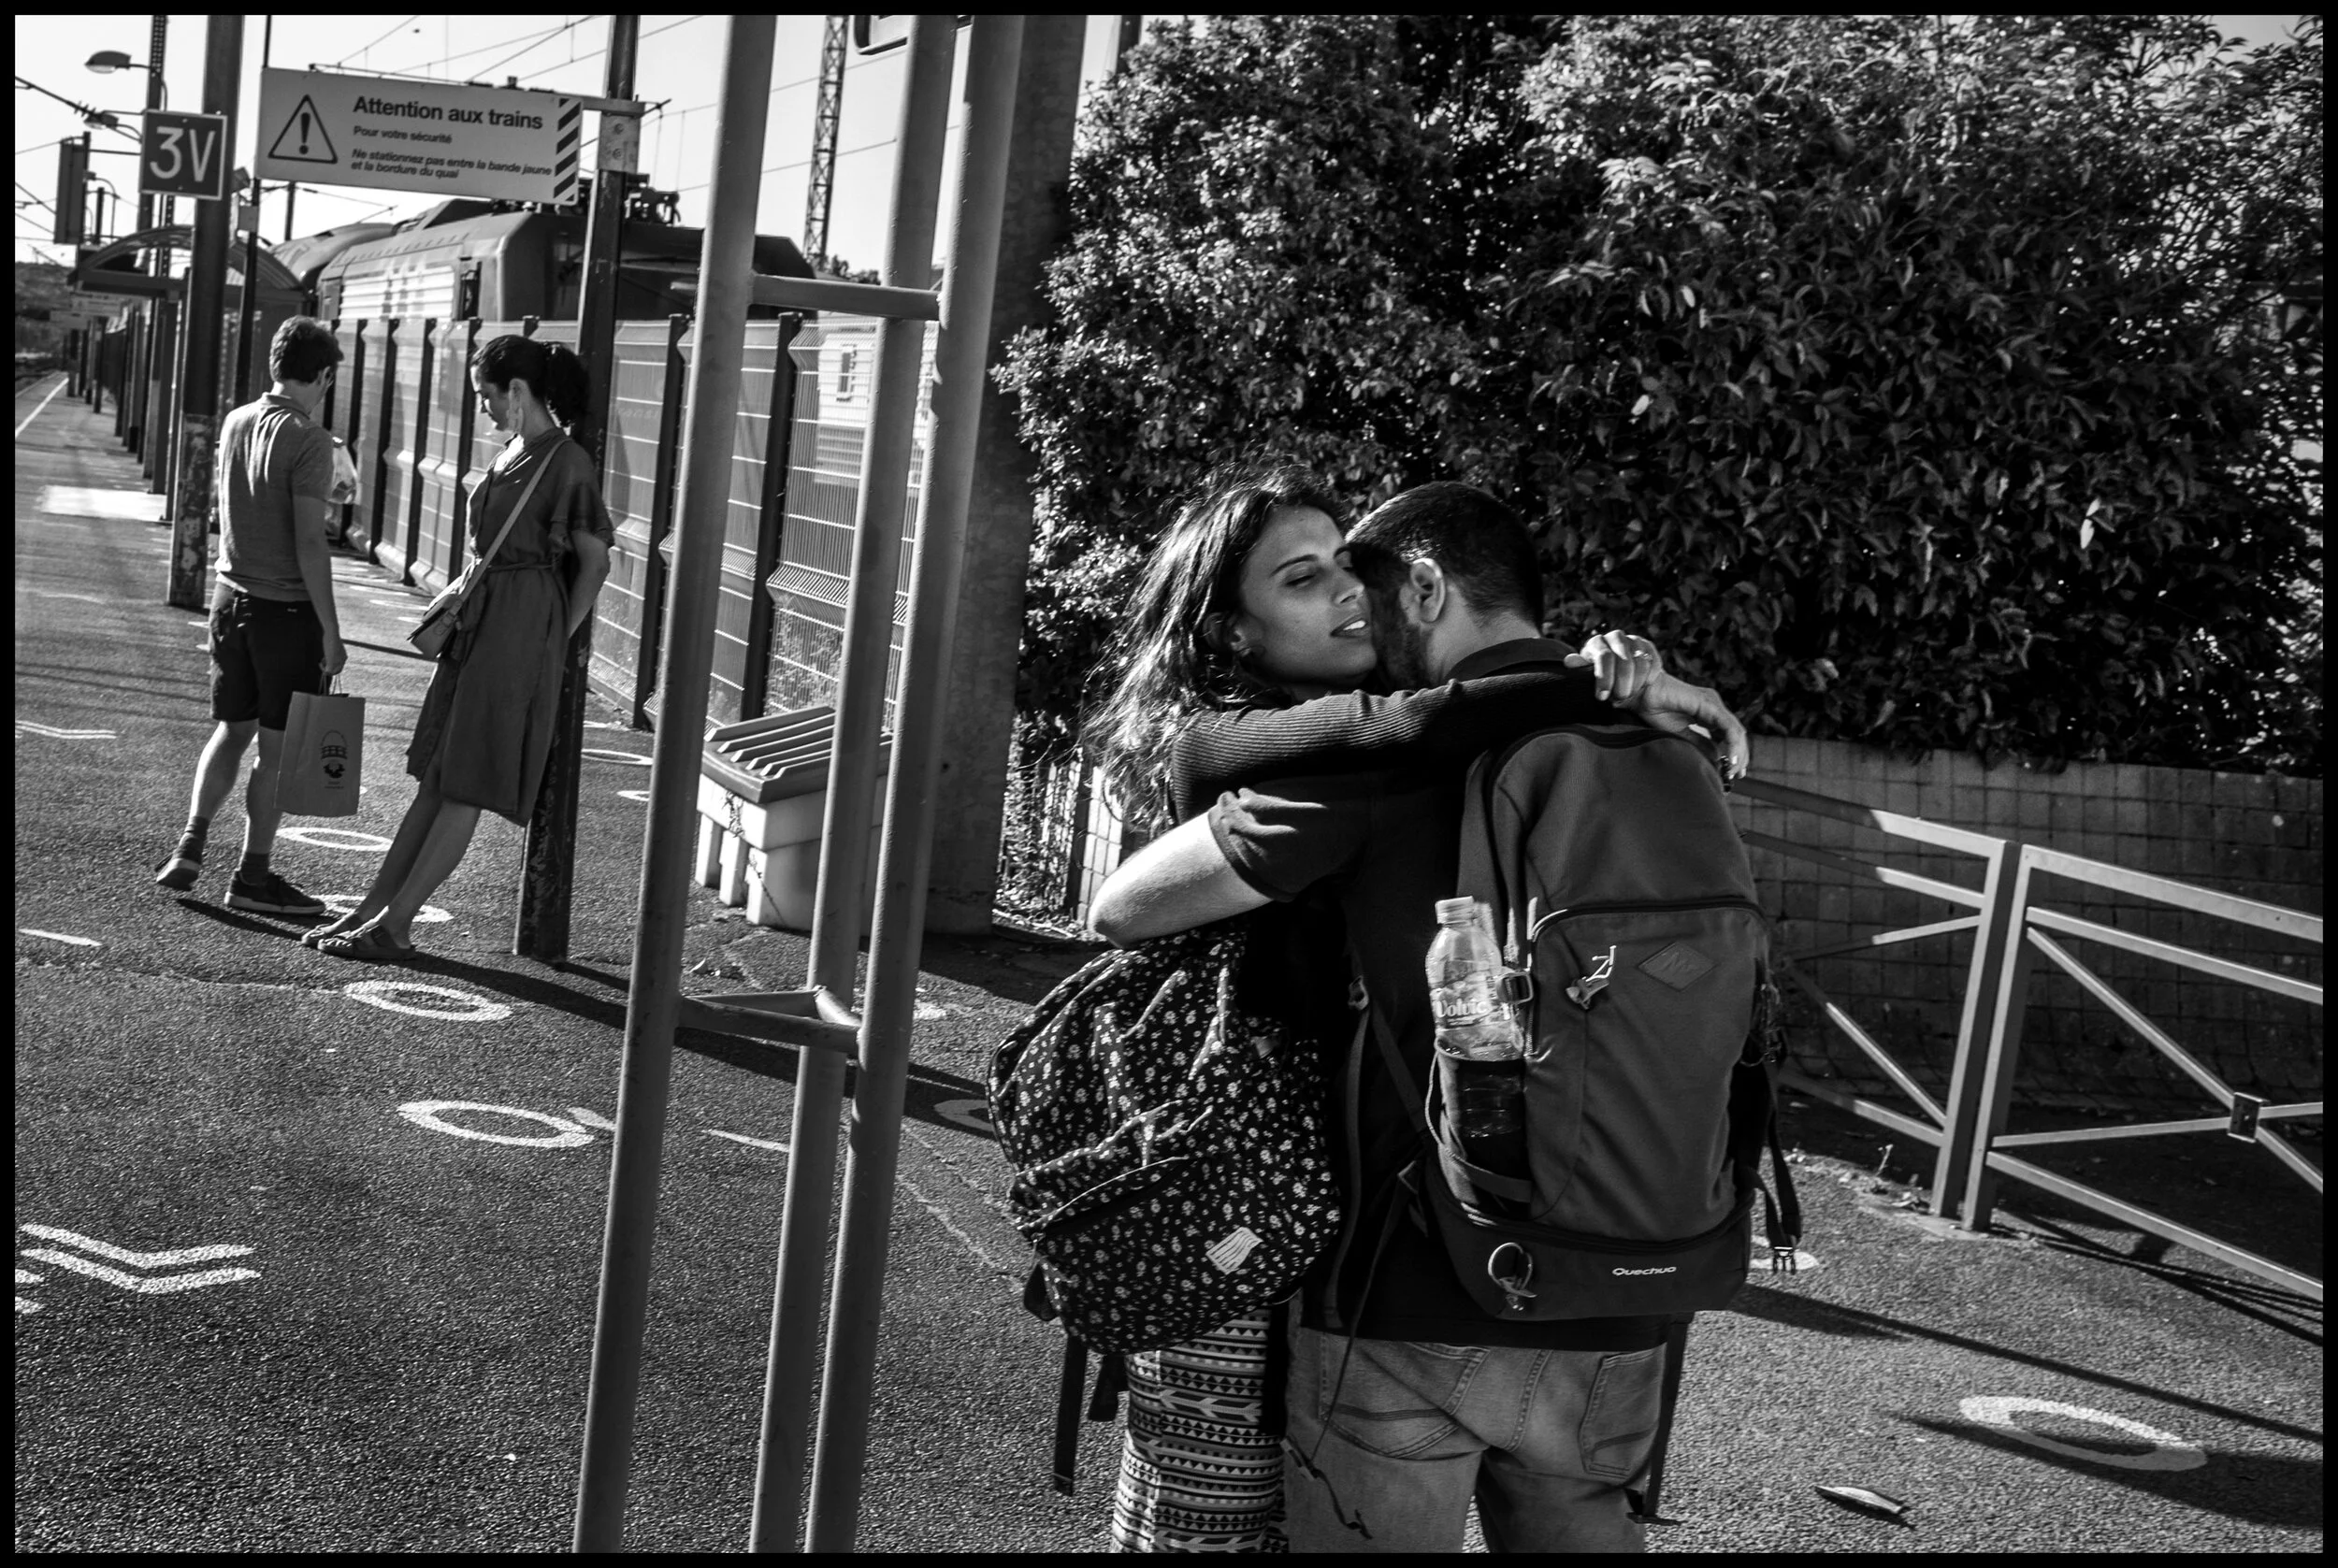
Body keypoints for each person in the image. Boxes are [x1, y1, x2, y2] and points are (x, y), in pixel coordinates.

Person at [1077, 466, 1745, 1552]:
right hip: (1630, 1290)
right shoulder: (1662, 751)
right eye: (1308, 579)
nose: (1351, 598)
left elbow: (1121, 908)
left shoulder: (1360, 775)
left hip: (1397, 1279)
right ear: (1231, 630)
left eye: (1360, 574)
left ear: (1425, 591)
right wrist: (1588, 676)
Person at [307, 335, 613, 962]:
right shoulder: (519, 452)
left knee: (465, 782)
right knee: (439, 779)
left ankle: (396, 924)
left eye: (488, 397)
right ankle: (374, 910)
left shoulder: (564, 460)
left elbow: (595, 560)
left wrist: (553, 638)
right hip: (487, 623)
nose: (485, 409)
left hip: (519, 631)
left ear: (519, 392)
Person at [153, 316, 350, 914]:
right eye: (327, 380)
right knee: (275, 749)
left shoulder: (237, 421)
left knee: (230, 731)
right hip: (284, 613)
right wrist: (333, 633)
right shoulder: (311, 441)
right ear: (321, 374)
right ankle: (253, 877)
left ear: (274, 366)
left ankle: (190, 845)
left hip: (227, 600)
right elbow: (310, 544)